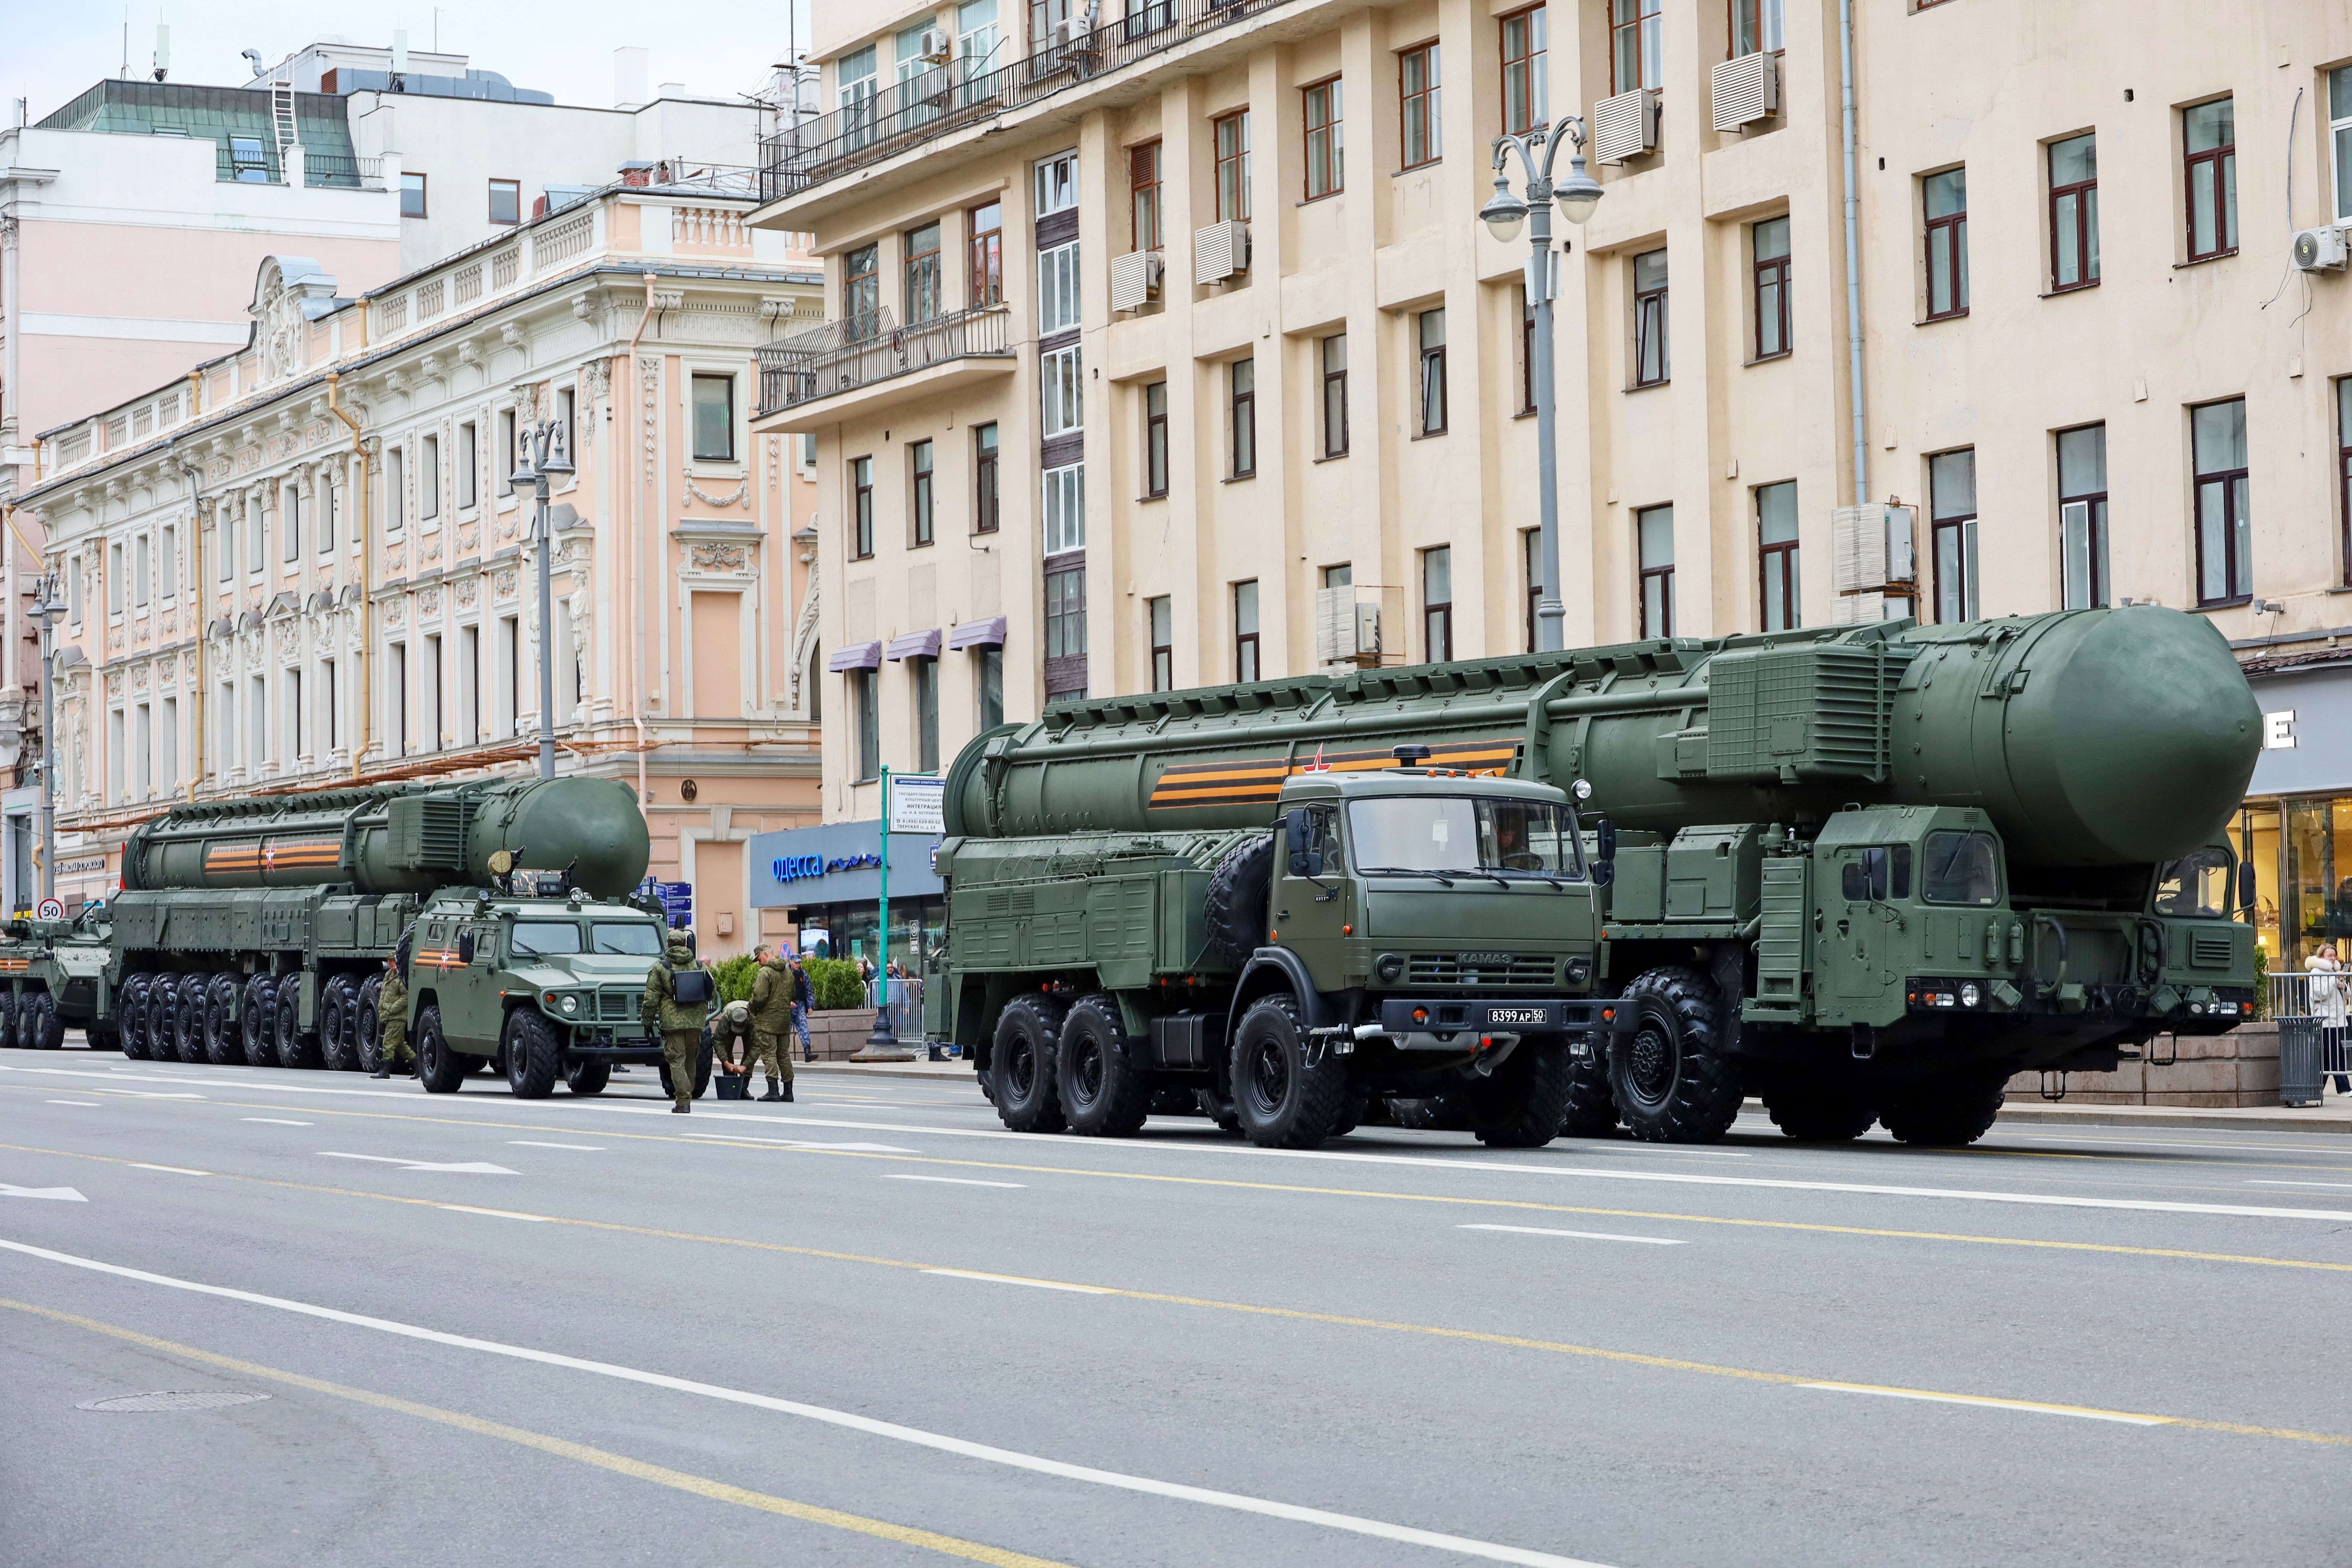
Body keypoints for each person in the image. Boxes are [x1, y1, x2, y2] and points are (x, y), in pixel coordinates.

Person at [642, 927, 713, 1113]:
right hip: (696, 1022)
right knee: (691, 1060)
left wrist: (647, 1023)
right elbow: (711, 992)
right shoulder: (699, 966)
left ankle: (683, 1102)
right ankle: (687, 1097)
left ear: (668, 945)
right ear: (685, 944)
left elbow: (651, 1000)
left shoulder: (661, 967)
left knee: (676, 1061)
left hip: (673, 1024)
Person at [747, 945, 802, 1101]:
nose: (759, 962)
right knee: (784, 1056)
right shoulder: (788, 973)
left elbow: (759, 998)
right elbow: (792, 994)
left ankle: (773, 1091)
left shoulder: (765, 973)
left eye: (759, 959)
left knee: (769, 1055)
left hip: (767, 1023)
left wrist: (751, 1006)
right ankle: (789, 1092)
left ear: (766, 955)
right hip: (784, 1022)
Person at [2313, 941, 2351, 1095]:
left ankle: (2316, 1087)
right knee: (2337, 1053)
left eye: (2334, 956)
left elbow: (2347, 995)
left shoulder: (2336, 972)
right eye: (2330, 955)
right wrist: (2334, 980)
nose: (2333, 958)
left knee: (2328, 1057)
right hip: (2326, 1019)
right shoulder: (2316, 972)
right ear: (2322, 956)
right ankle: (2344, 1088)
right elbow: (2319, 993)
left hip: (2337, 1018)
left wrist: (2344, 987)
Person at [370, 951, 413, 1079]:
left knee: (388, 1043)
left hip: (397, 1016)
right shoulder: (389, 975)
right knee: (400, 1045)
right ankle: (418, 1066)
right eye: (390, 961)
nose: (392, 963)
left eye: (394, 961)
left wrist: (393, 1008)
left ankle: (385, 1071)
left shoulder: (401, 977)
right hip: (389, 1015)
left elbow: (406, 996)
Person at [709, 999, 757, 1091]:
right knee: (727, 1050)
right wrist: (726, 1063)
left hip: (749, 1028)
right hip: (729, 1023)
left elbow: (757, 1046)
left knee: (749, 1050)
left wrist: (745, 1066)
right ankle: (730, 1082)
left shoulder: (753, 1019)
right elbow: (718, 1040)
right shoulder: (726, 1018)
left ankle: (743, 1089)